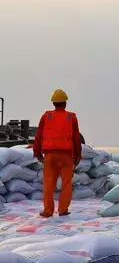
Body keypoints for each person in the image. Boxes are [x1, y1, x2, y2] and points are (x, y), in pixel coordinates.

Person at [33, 89, 82, 217]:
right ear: (65, 103)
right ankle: (63, 210)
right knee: (66, 183)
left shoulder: (46, 116)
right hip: (66, 156)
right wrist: (78, 155)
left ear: (53, 103)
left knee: (49, 183)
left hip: (50, 156)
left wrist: (37, 153)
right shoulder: (71, 117)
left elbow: (38, 136)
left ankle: (48, 211)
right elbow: (76, 138)